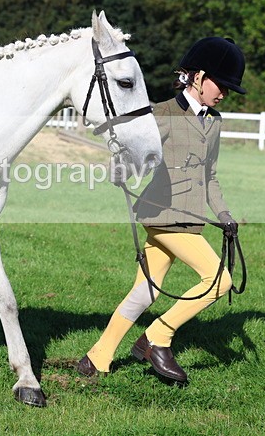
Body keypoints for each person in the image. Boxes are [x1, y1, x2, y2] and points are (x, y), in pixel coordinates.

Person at [77, 37, 245, 383]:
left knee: (145, 292)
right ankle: (158, 337)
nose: (224, 93)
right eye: (221, 84)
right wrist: (121, 169)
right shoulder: (162, 114)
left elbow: (209, 175)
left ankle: (97, 357)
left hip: (189, 219)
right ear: (198, 77)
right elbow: (133, 154)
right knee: (219, 280)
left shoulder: (214, 121)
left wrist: (225, 215)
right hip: (164, 215)